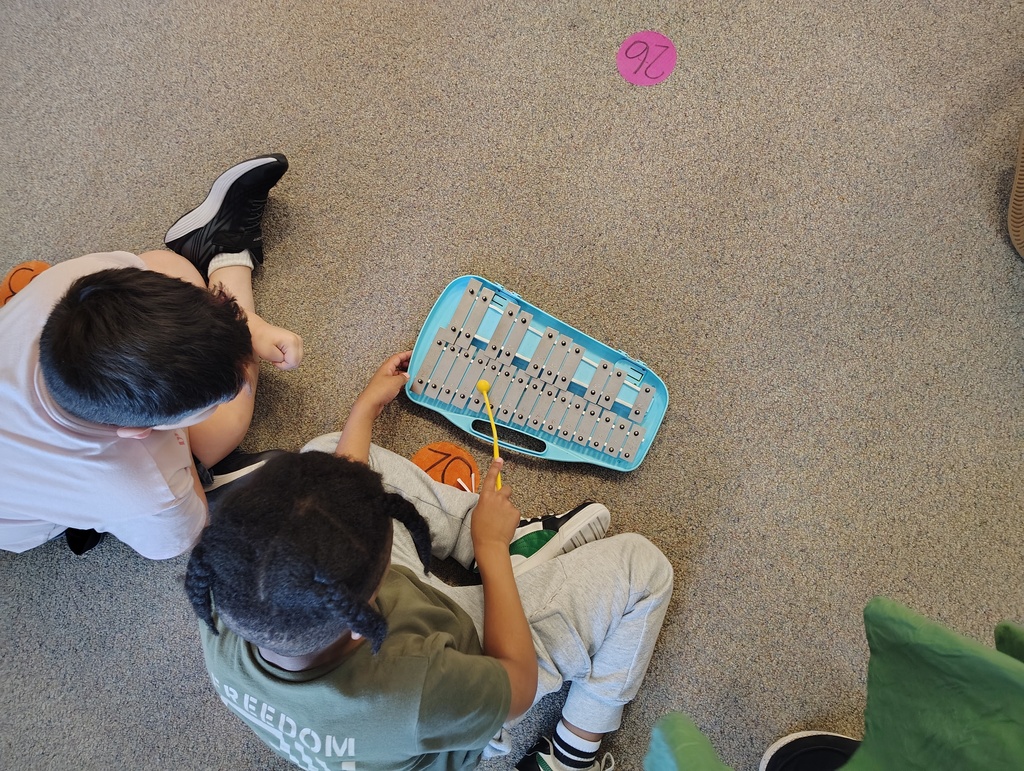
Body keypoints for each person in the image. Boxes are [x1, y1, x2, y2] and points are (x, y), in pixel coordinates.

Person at [185, 351, 673, 771]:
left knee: (322, 455)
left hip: (374, 633)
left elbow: (340, 493)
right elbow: (518, 687)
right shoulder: (416, 689)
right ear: (365, 618)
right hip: (467, 686)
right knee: (644, 569)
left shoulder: (226, 601)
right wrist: (492, 552)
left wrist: (364, 411)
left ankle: (494, 535)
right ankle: (570, 754)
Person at [0, 154, 303, 559]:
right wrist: (180, 482)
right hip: (29, 515)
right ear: (140, 431)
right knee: (223, 429)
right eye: (216, 397)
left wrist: (253, 328)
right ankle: (227, 255)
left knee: (164, 264)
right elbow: (184, 540)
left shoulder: (72, 282)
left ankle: (222, 250)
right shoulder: (142, 487)